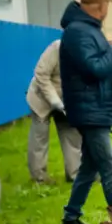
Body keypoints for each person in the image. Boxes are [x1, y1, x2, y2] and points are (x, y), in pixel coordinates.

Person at [59, 0, 112, 224]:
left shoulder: (89, 30)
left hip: (96, 107)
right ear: (101, 7)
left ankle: (71, 216)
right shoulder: (78, 32)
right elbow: (94, 68)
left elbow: (101, 67)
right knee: (109, 166)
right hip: (89, 110)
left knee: (90, 166)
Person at [26, 37, 79, 185]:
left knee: (72, 135)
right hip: (41, 98)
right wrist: (54, 100)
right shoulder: (57, 48)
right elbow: (41, 74)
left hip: (66, 101)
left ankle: (75, 174)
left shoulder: (85, 51)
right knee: (40, 137)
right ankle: (39, 178)